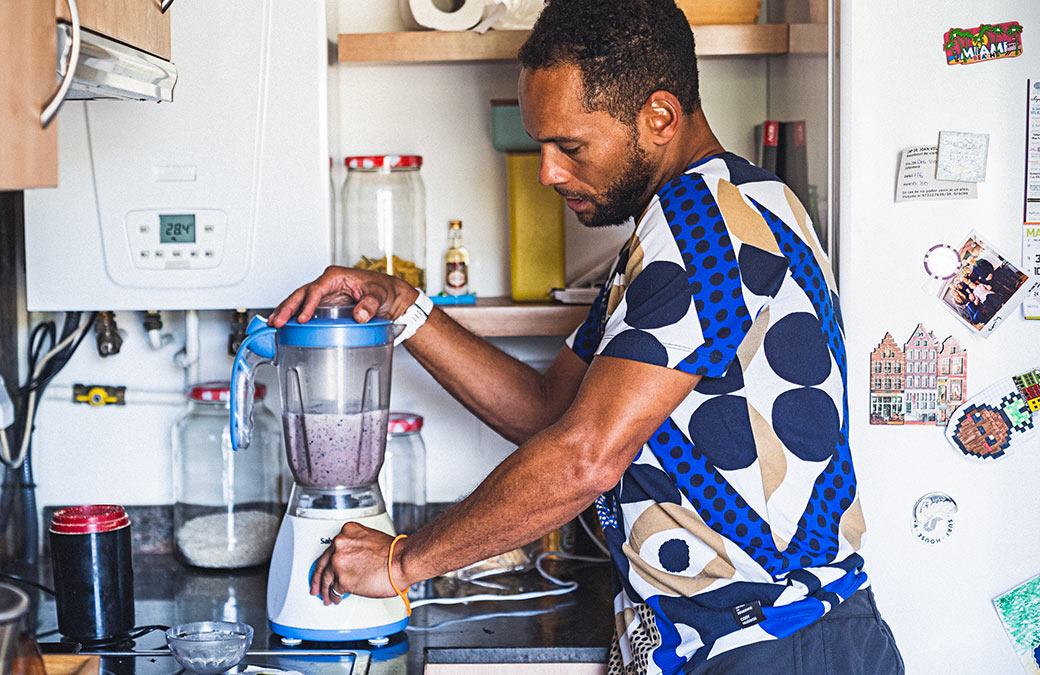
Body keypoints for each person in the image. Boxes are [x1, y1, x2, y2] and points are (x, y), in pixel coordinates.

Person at [269, 1, 904, 673]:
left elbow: (584, 458)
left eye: (569, 147)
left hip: (776, 644)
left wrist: (403, 562)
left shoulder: (702, 230)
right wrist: (405, 308)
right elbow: (550, 409)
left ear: (659, 116)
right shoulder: (694, 221)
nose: (546, 172)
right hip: (746, 640)